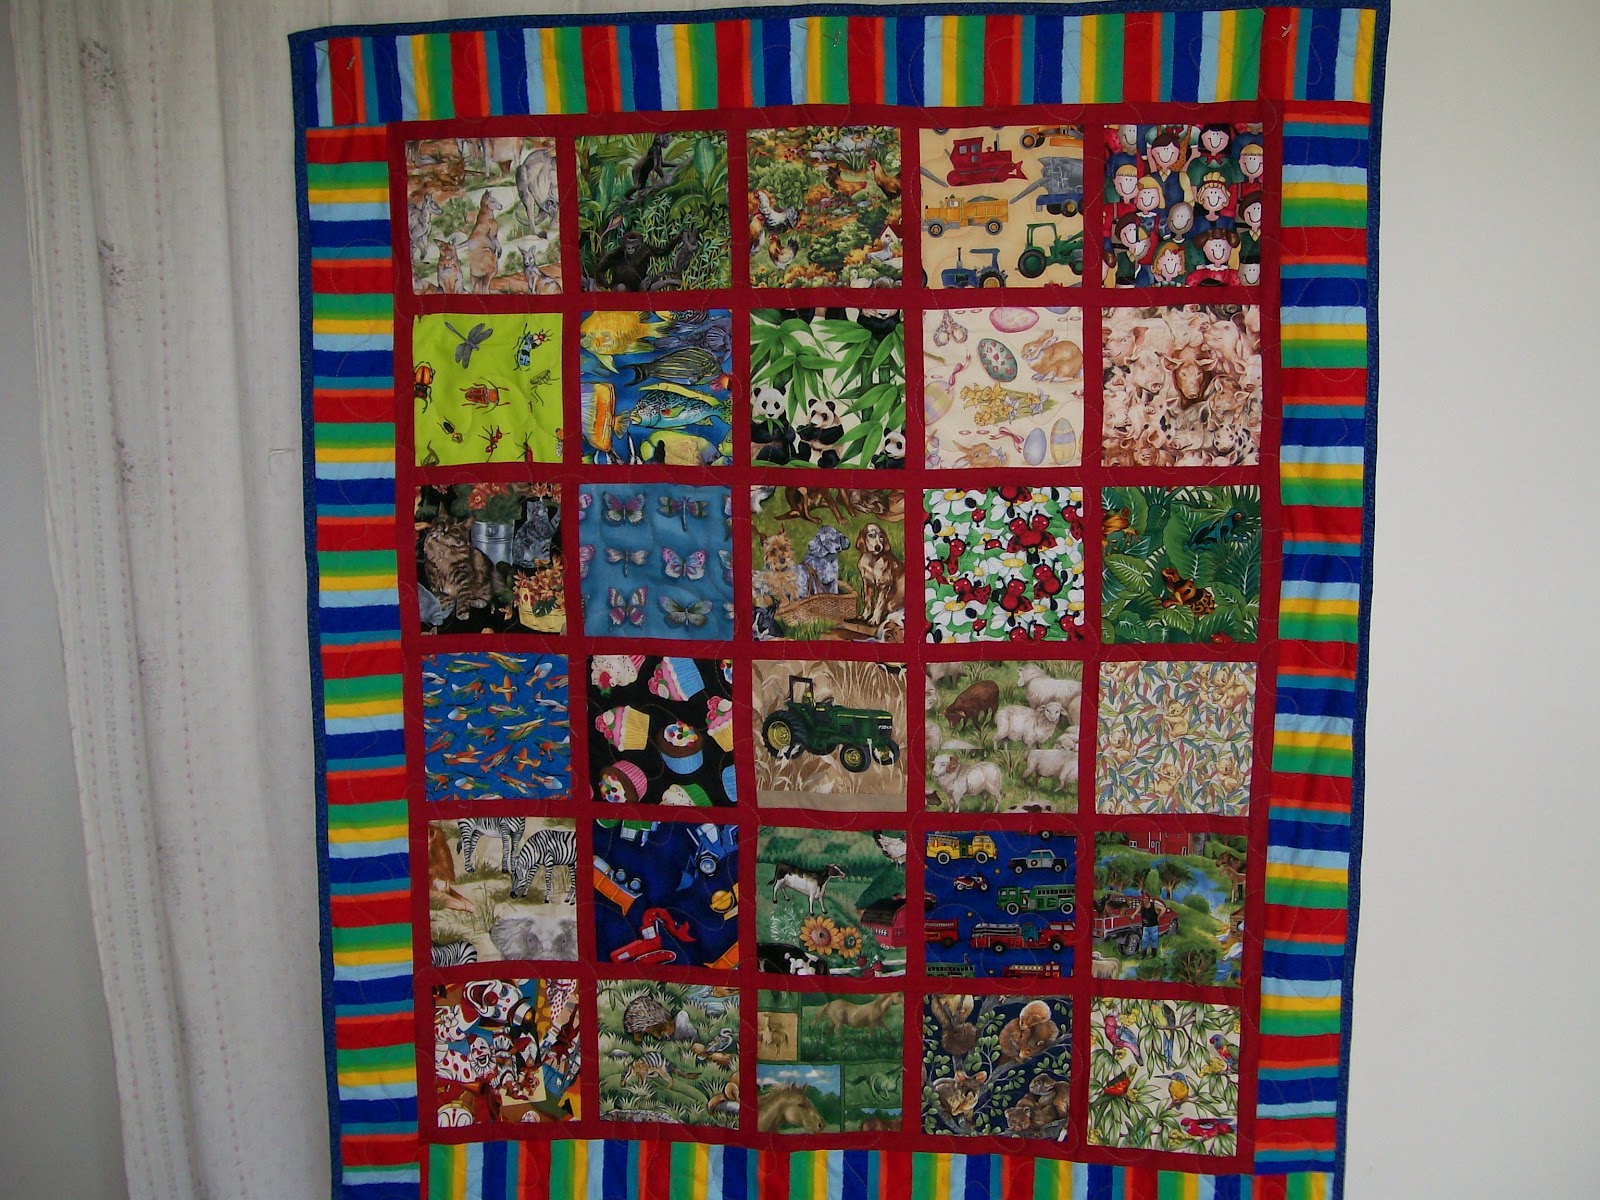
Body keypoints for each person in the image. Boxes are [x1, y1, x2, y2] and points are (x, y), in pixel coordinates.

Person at [1138, 893, 1168, 958]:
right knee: (1144, 940)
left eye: (1146, 898)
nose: (1145, 900)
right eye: (1144, 899)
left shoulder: (1153, 905)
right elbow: (1137, 911)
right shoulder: (1142, 906)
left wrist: (1159, 916)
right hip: (1145, 926)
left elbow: (1163, 909)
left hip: (1153, 926)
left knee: (1154, 939)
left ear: (1148, 899)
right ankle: (1143, 954)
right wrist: (1133, 915)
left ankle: (1153, 954)